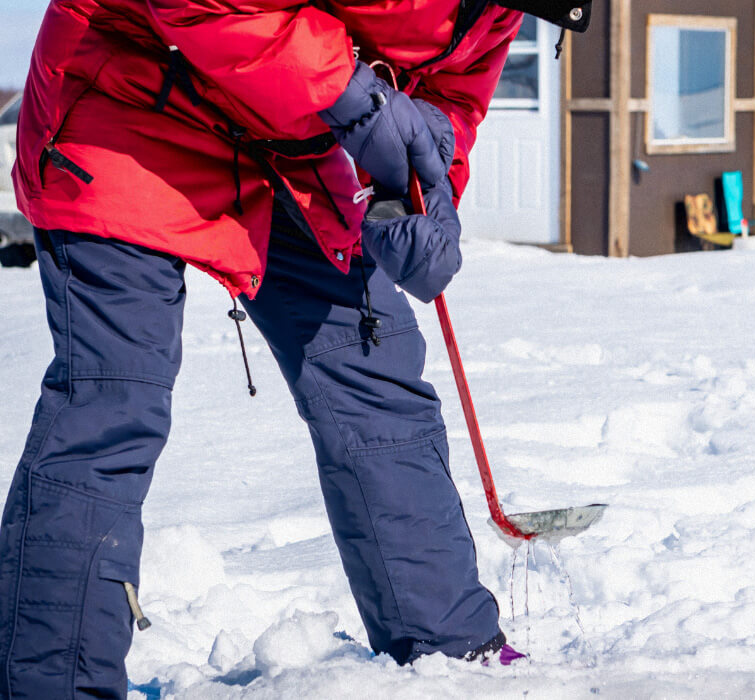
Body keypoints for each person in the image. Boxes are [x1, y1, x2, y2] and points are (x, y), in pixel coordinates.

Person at [0, 0, 591, 697]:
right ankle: (52, 684)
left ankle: (449, 655)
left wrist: (425, 187)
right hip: (127, 98)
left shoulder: (496, 11)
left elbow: (449, 99)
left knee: (375, 368)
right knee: (113, 399)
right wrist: (356, 99)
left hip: (281, 145)